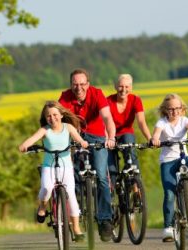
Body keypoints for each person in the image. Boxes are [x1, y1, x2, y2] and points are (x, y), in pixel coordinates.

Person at [58, 68, 116, 242]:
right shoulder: (65, 97)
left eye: (82, 84)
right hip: (74, 136)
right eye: (75, 84)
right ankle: (74, 218)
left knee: (102, 177)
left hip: (96, 136)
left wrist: (111, 137)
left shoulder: (97, 94)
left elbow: (107, 118)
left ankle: (105, 220)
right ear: (71, 85)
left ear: (88, 84)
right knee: (70, 177)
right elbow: (58, 119)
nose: (79, 87)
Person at [19, 101, 88, 242]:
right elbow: (32, 139)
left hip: (66, 167)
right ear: (45, 118)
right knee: (46, 188)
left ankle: (76, 228)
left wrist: (82, 143)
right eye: (48, 116)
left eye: (55, 114)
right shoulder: (45, 130)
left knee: (71, 195)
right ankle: (43, 207)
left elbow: (78, 138)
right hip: (49, 167)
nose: (52, 118)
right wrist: (25, 145)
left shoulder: (68, 127)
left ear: (61, 115)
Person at [150, 93, 188, 242]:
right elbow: (156, 133)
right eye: (171, 109)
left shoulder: (184, 121)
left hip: (182, 157)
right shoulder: (162, 123)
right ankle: (168, 228)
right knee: (169, 194)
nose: (174, 112)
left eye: (177, 108)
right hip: (167, 161)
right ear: (165, 110)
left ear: (182, 109)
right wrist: (155, 139)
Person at [106, 74, 152, 186]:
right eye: (121, 86)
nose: (124, 90)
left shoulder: (135, 100)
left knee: (130, 149)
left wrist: (150, 138)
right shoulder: (108, 101)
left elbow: (141, 122)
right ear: (116, 86)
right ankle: (112, 193)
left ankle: (136, 186)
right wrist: (108, 139)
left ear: (131, 88)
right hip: (109, 135)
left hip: (126, 133)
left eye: (127, 87)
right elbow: (104, 122)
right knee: (111, 167)